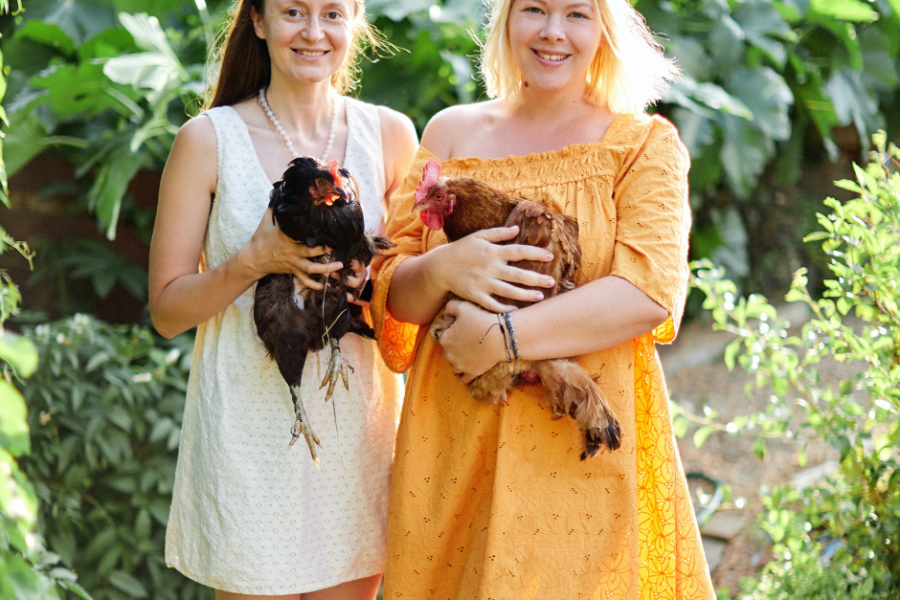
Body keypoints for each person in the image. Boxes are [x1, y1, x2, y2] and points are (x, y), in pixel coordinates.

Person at [369, 0, 716, 597]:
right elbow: (391, 292)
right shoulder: (450, 133)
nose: (553, 32)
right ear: (505, 20)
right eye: (534, 8)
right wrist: (447, 265)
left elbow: (648, 291)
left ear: (604, 28)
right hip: (456, 447)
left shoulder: (640, 145)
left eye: (577, 14)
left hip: (575, 450)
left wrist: (503, 339)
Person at [147, 0, 417, 597]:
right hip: (246, 435)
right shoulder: (207, 140)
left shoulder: (390, 136)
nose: (314, 32)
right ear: (259, 21)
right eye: (294, 11)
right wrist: (253, 261)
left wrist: (368, 287)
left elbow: (411, 293)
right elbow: (167, 310)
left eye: (331, 13)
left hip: (358, 439)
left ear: (355, 21)